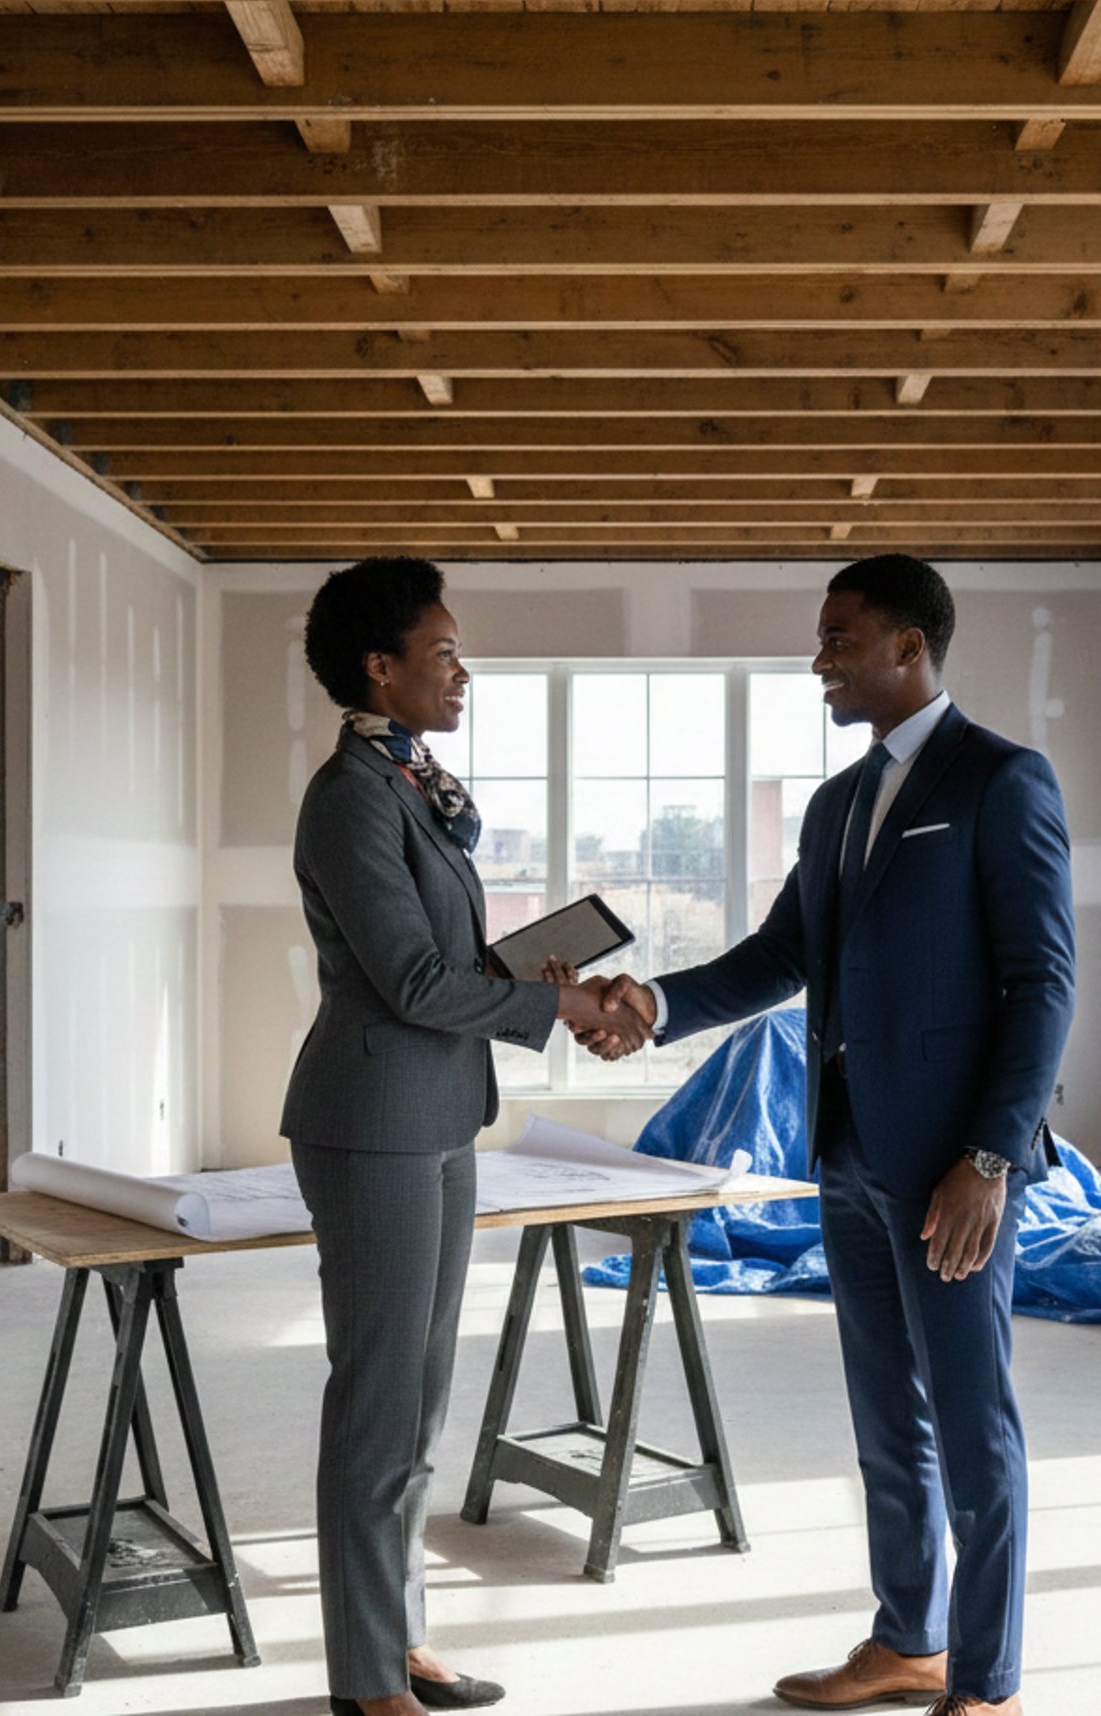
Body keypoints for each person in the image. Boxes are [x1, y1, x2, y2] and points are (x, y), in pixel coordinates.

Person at [578, 555, 1074, 1716]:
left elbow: (1043, 983)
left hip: (953, 1167)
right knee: (883, 1414)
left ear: (910, 646)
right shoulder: (836, 802)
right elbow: (780, 953)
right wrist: (653, 1006)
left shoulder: (1003, 779)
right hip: (844, 1156)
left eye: (839, 640)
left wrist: (990, 1160)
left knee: (971, 1419)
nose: (820, 662)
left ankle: (989, 1680)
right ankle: (910, 1638)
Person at [282, 558, 649, 1716]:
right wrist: (562, 1006)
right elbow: (407, 981)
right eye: (441, 652)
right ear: (378, 667)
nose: (461, 670)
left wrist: (525, 974)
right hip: (373, 1116)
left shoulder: (412, 784)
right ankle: (363, 1678)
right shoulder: (351, 794)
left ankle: (401, 1643)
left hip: (435, 1110)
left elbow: (444, 972)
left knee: (420, 1397)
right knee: (379, 1396)